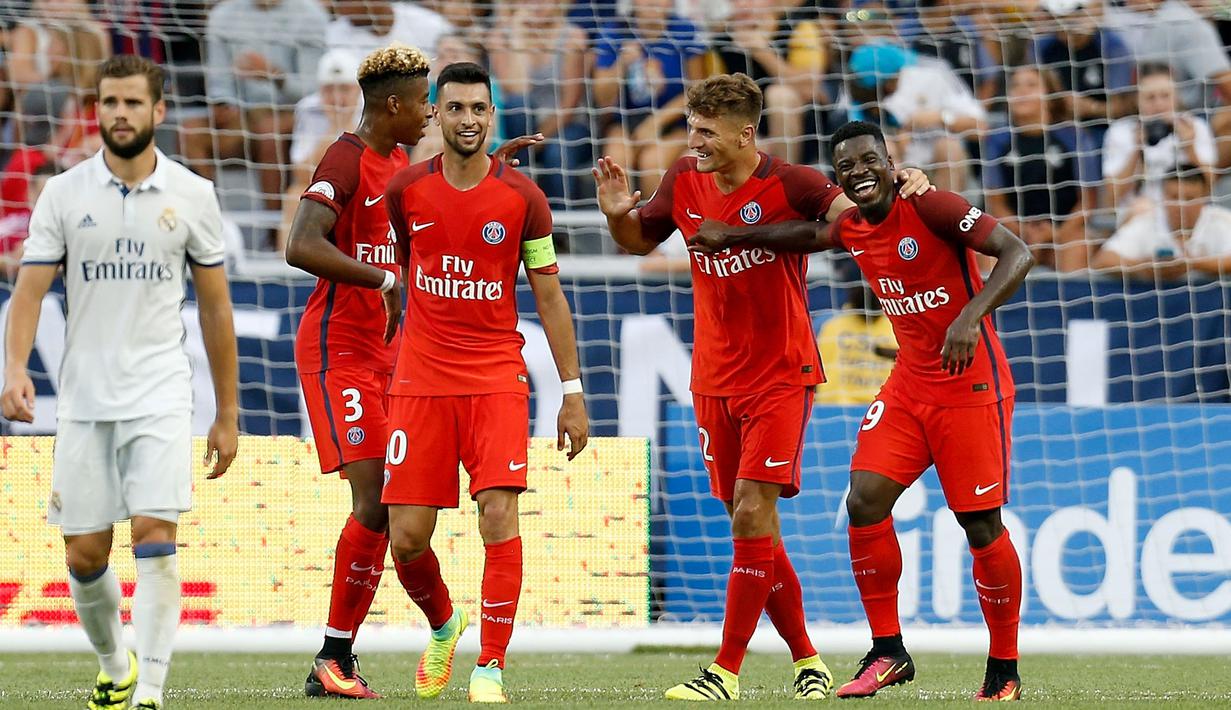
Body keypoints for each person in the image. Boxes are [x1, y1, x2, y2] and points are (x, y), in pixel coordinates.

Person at [592, 73, 931, 702]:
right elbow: (640, 240)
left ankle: (724, 671)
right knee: (754, 527)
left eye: (706, 131)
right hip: (712, 378)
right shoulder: (684, 178)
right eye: (691, 128)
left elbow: (858, 220)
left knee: (752, 511)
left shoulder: (792, 183)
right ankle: (807, 659)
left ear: (745, 133)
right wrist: (617, 217)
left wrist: (906, 181)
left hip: (780, 373)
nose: (694, 141)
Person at [688, 119, 1034, 702]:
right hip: (909, 385)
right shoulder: (852, 226)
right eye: (846, 166)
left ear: (890, 162)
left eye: (869, 160)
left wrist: (970, 317)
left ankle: (1004, 667)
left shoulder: (933, 206)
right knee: (864, 501)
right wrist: (736, 237)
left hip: (972, 386)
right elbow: (807, 234)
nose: (859, 172)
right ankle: (888, 650)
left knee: (980, 525)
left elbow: (1017, 253)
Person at [0, 54, 239, 710]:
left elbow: (216, 309)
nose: (121, 114)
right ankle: (116, 664)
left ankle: (151, 694)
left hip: (160, 393)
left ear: (158, 111)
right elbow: (29, 291)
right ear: (97, 110)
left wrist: (227, 412)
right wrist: (14, 368)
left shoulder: (193, 194)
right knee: (84, 555)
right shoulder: (63, 193)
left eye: (133, 102)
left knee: (155, 538)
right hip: (84, 397)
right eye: (110, 102)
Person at [382, 61, 589, 704]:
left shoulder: (523, 199)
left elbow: (549, 295)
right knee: (406, 539)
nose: (467, 119)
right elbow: (406, 264)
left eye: (478, 108)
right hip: (420, 380)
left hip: (496, 376)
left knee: (497, 513)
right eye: (455, 108)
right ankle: (446, 625)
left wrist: (572, 392)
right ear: (435, 114)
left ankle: (491, 667)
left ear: (492, 115)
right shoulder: (405, 190)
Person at [283, 43, 431, 700]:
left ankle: (337, 656)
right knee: (374, 499)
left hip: (388, 355)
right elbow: (300, 244)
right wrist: (381, 279)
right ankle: (332, 656)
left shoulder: (401, 163)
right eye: (423, 101)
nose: (429, 113)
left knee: (387, 503)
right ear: (392, 105)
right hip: (337, 350)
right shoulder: (345, 158)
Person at [1102, 63, 1216, 223]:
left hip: (1186, 212)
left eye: (1165, 95)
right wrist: (1136, 151)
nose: (1159, 104)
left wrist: (1189, 146)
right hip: (1138, 215)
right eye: (1150, 97)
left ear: (1176, 96)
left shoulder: (1195, 127)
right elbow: (1112, 197)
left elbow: (1210, 185)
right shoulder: (1120, 132)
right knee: (1142, 210)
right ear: (1136, 99)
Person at [1093, 164, 1231, 280]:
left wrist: (1193, 264)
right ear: (1163, 196)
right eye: (1175, 197)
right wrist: (1144, 268)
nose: (1181, 205)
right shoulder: (1147, 221)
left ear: (1204, 198)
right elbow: (1102, 260)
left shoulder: (1222, 220)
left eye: (1189, 198)